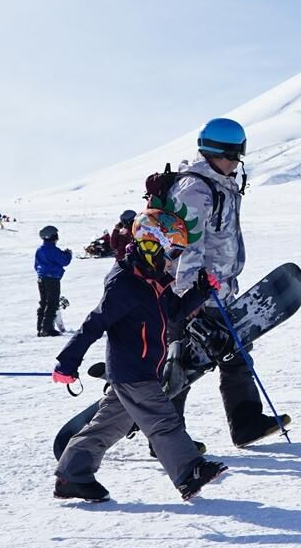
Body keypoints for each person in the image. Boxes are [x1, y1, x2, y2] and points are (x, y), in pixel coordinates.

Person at [52, 209, 227, 502]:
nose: (173, 260)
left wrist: (200, 291)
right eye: (171, 251)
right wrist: (67, 362)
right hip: (132, 370)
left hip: (143, 368)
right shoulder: (124, 283)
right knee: (162, 419)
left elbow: (174, 312)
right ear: (150, 244)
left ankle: (72, 476)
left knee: (109, 425)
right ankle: (189, 471)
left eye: (177, 253)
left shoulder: (152, 278)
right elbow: (93, 324)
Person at [164, 117, 287, 448]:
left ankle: (246, 423)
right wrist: (187, 299)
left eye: (238, 156)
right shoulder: (196, 189)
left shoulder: (223, 185)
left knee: (236, 351)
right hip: (191, 294)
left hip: (219, 290)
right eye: (228, 156)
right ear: (209, 152)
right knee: (182, 366)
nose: (234, 162)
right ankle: (168, 439)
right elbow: (185, 246)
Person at [35, 226, 72, 336]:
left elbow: (36, 265)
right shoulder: (53, 250)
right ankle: (47, 329)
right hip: (52, 279)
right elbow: (64, 261)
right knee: (52, 303)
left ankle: (40, 327)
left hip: (41, 278)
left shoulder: (40, 250)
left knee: (43, 302)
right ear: (52, 237)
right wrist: (68, 254)